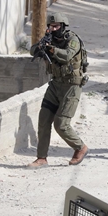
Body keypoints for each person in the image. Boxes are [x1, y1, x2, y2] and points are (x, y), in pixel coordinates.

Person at [28, 12, 88, 167]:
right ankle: (41, 158)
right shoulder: (49, 39)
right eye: (51, 26)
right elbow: (32, 51)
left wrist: (51, 49)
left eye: (56, 26)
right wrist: (41, 46)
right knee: (44, 120)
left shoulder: (72, 39)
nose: (53, 29)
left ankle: (80, 147)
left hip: (71, 86)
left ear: (63, 26)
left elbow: (67, 55)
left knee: (61, 124)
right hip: (55, 85)